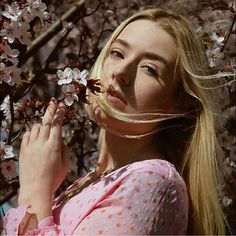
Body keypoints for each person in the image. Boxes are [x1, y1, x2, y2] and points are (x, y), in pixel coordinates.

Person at [3, 8, 229, 235]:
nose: (120, 71)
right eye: (118, 53)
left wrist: (34, 190)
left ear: (179, 104)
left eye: (150, 69)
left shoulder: (152, 181)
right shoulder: (96, 181)